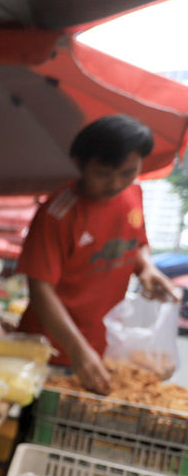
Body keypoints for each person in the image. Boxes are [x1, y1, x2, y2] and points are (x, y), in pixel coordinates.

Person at [17, 115, 177, 394]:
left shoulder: (132, 196)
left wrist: (147, 268)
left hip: (103, 351)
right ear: (80, 164)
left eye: (128, 172)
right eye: (103, 174)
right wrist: (78, 350)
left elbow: (136, 242)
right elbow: (40, 289)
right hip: (50, 352)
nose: (115, 183)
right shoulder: (58, 214)